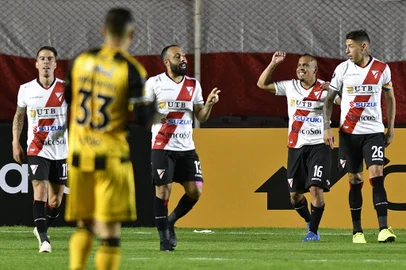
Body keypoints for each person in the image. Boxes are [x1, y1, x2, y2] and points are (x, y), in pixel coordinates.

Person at [64, 8, 154, 270]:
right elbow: (143, 118)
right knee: (110, 234)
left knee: (84, 224)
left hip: (79, 155)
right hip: (111, 158)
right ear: (132, 34)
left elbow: (70, 98)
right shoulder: (131, 69)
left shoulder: (80, 60)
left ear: (103, 32)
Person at [323, 30, 397, 243]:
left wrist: (390, 128)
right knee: (355, 179)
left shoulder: (382, 68)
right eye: (346, 46)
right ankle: (357, 232)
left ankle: (383, 229)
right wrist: (327, 127)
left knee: (376, 174)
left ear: (363, 47)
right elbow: (329, 101)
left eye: (350, 46)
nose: (346, 50)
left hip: (373, 132)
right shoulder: (342, 69)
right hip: (349, 133)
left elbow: (390, 98)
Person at [145, 44, 220, 251]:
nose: (183, 59)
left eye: (184, 55)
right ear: (167, 62)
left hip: (187, 148)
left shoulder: (193, 85)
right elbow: (143, 115)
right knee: (163, 191)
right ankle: (164, 241)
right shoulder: (154, 83)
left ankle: (170, 221)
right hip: (162, 146)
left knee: (195, 191)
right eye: (178, 57)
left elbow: (200, 116)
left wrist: (210, 104)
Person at [257, 52, 336, 241]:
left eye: (306, 65)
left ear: (315, 70)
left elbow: (346, 100)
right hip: (296, 146)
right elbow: (261, 84)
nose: (301, 68)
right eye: (299, 65)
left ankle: (313, 232)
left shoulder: (325, 89)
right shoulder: (290, 86)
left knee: (315, 188)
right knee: (294, 196)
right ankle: (310, 222)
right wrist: (273, 64)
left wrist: (336, 89)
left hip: (319, 145)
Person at [12, 46, 67, 253]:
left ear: (55, 64)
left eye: (49, 59)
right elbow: (18, 116)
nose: (45, 62)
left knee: (55, 201)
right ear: (36, 63)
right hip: (37, 149)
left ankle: (41, 228)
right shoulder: (26, 89)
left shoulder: (66, 88)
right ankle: (44, 240)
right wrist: (15, 142)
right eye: (42, 58)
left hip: (61, 151)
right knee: (40, 190)